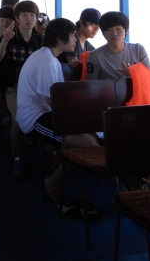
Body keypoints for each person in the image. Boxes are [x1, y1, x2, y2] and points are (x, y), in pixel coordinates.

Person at [16, 18, 100, 211]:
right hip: (34, 118)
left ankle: (61, 161)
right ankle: (54, 182)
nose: (75, 40)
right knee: (87, 143)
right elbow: (52, 102)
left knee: (91, 139)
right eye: (72, 35)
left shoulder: (51, 58)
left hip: (47, 112)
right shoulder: (46, 61)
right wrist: (79, 123)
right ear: (60, 39)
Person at [0, 0, 43, 181]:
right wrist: (4, 41)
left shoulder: (39, 41)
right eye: (24, 15)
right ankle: (18, 159)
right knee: (20, 119)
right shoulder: (10, 38)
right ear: (17, 19)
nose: (29, 19)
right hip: (14, 89)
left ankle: (50, 151)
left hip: (36, 90)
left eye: (32, 15)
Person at [86, 11, 150, 81]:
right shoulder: (95, 56)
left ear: (126, 30)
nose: (114, 33)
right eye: (109, 30)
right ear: (103, 33)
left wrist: (132, 74)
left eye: (118, 29)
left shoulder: (138, 50)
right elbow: (90, 84)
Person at [58, 8, 100, 79]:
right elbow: (76, 67)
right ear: (81, 23)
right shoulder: (71, 42)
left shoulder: (89, 46)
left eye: (98, 26)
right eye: (93, 24)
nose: (96, 29)